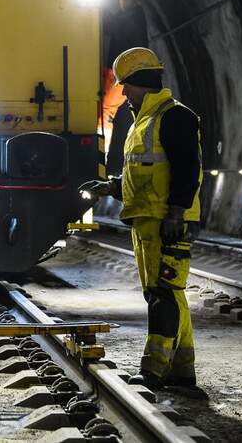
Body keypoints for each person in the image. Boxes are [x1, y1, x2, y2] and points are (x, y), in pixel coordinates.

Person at [80, 47, 203, 393]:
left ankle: (153, 370)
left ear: (142, 83)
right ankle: (182, 372)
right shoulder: (143, 121)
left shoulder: (173, 116)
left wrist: (177, 211)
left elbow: (187, 169)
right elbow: (144, 174)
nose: (123, 93)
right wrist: (111, 186)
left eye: (126, 86)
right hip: (148, 219)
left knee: (162, 294)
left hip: (167, 220)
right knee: (168, 293)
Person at [102, 0, 149, 176]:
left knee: (106, 110)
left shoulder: (134, 17)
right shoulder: (130, 16)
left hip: (122, 74)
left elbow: (113, 25)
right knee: (106, 110)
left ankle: (99, 155)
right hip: (117, 72)